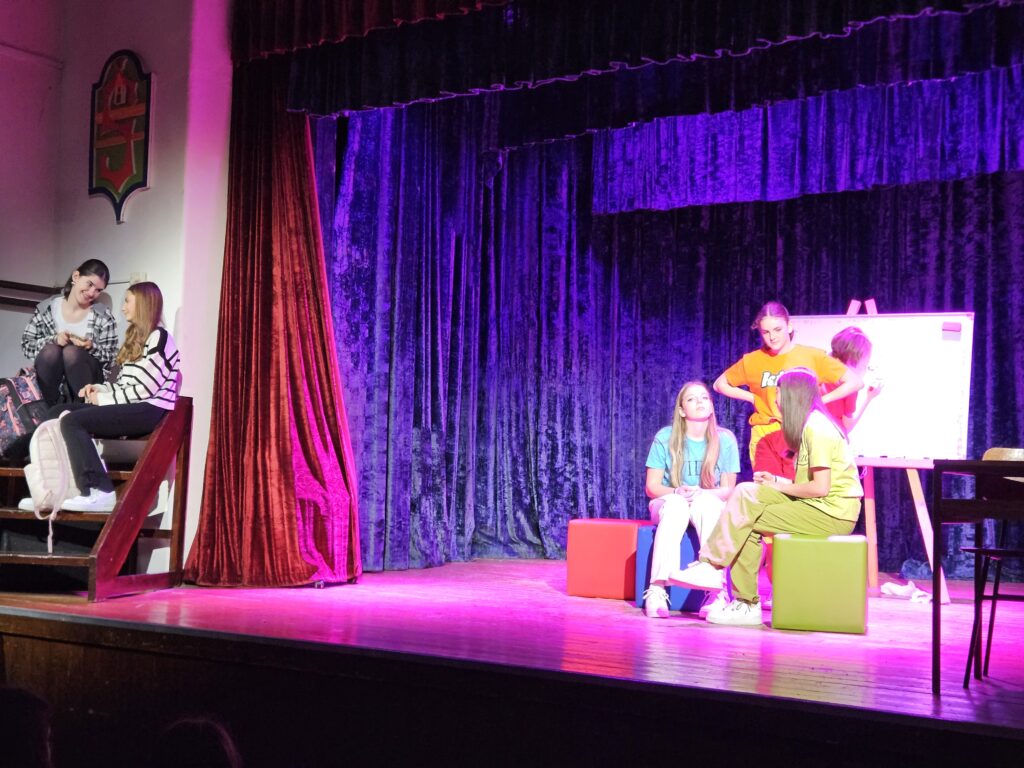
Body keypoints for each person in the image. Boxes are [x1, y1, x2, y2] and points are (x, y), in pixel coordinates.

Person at [669, 368, 864, 626]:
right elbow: (810, 485)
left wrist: (779, 488)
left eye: (779, 392)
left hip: (833, 513)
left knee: (746, 519)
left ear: (793, 395)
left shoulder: (817, 429)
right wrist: (777, 482)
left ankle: (737, 593)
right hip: (818, 505)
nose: (775, 398)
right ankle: (718, 574)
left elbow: (820, 488)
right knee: (745, 491)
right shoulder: (809, 425)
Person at [20, 282, 181, 513]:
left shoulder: (160, 337)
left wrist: (103, 400)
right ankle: (56, 489)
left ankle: (98, 489)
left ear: (143, 304)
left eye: (127, 301)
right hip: (133, 404)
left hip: (148, 409)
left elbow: (145, 389)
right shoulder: (136, 338)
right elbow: (125, 385)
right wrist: (99, 389)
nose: (123, 307)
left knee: (72, 421)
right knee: (56, 413)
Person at [713, 301, 862, 467]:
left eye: (777, 329)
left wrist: (820, 401)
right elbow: (719, 384)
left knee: (802, 482)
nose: (772, 337)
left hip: (801, 430)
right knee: (767, 483)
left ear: (789, 327)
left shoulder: (812, 356)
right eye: (766, 332)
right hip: (765, 431)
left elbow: (855, 382)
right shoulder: (752, 360)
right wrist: (752, 397)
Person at [642, 381, 740, 618]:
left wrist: (701, 493)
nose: (699, 402)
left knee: (707, 504)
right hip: (669, 501)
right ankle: (657, 589)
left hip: (707, 501)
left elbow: (728, 490)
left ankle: (717, 592)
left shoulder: (725, 439)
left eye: (704, 398)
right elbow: (652, 487)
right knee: (676, 506)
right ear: (682, 410)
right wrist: (677, 492)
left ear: (712, 407)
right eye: (692, 399)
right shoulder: (665, 437)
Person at [21, 259, 119, 406]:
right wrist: (55, 340)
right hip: (51, 386)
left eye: (98, 290)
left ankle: (81, 407)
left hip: (86, 383)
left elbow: (112, 358)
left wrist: (90, 347)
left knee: (71, 352)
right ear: (76, 277)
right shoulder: (48, 308)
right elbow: (27, 345)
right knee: (51, 350)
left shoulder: (103, 316)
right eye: (90, 284)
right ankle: (51, 407)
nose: (92, 292)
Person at [823, 326, 883, 433]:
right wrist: (869, 398)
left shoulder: (819, 368)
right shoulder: (851, 386)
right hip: (829, 438)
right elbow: (846, 428)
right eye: (865, 364)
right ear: (854, 361)